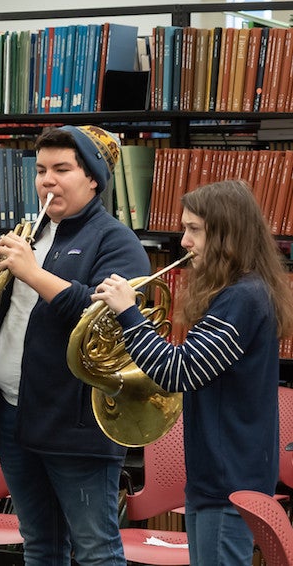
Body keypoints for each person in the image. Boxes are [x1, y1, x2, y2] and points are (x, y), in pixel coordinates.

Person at [92, 179, 293, 565]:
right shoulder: (237, 292)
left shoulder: (242, 298)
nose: (183, 241)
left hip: (229, 483)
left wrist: (128, 314)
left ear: (227, 234)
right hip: (214, 479)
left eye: (195, 230)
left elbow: (177, 372)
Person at [0, 125, 151, 565]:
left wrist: (32, 272)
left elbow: (106, 324)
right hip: (13, 413)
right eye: (41, 170)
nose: (47, 181)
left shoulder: (116, 240)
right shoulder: (30, 234)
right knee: (39, 545)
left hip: (75, 422)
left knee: (95, 550)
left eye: (62, 169)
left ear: (93, 178)